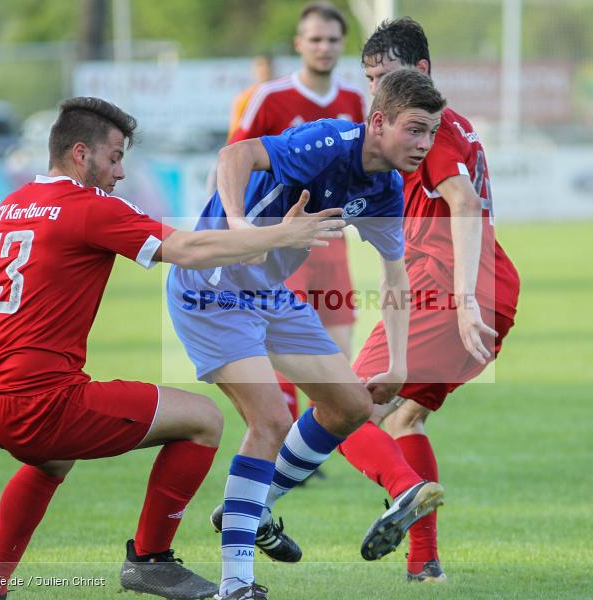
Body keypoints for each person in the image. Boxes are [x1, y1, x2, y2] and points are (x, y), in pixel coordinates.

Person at [0, 96, 346, 600]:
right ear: (81, 154)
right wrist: (281, 234)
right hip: (38, 401)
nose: (120, 172)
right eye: (115, 156)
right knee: (204, 419)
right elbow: (187, 250)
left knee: (51, 459)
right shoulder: (88, 207)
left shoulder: (12, 203)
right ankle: (151, 560)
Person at [165, 70, 447, 600]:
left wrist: (401, 363)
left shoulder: (386, 187)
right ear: (379, 122)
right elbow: (234, 156)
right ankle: (236, 585)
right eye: (414, 129)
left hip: (268, 293)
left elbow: (393, 274)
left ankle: (249, 507)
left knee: (350, 406)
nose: (423, 144)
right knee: (270, 421)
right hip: (212, 288)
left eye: (431, 133)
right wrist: (242, 228)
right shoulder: (328, 142)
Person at [336, 18, 522, 583]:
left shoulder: (428, 127)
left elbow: (462, 202)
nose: (375, 91)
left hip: (446, 288)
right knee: (404, 417)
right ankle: (425, 567)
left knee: (342, 411)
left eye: (383, 74)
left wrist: (462, 301)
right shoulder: (448, 123)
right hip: (494, 286)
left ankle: (406, 490)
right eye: (368, 78)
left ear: (420, 71)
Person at [229, 1, 366, 424]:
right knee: (287, 346)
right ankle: (279, 439)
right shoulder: (270, 98)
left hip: (332, 239)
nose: (324, 47)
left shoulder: (356, 99)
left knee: (340, 353)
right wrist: (240, 228)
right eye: (315, 39)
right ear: (299, 44)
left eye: (332, 40)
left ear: (343, 44)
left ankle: (307, 448)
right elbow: (232, 157)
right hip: (282, 240)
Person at [227, 54, 274, 143]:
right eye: (260, 65)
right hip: (254, 149)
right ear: (253, 70)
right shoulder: (244, 98)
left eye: (268, 65)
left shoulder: (281, 95)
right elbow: (235, 133)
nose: (265, 69)